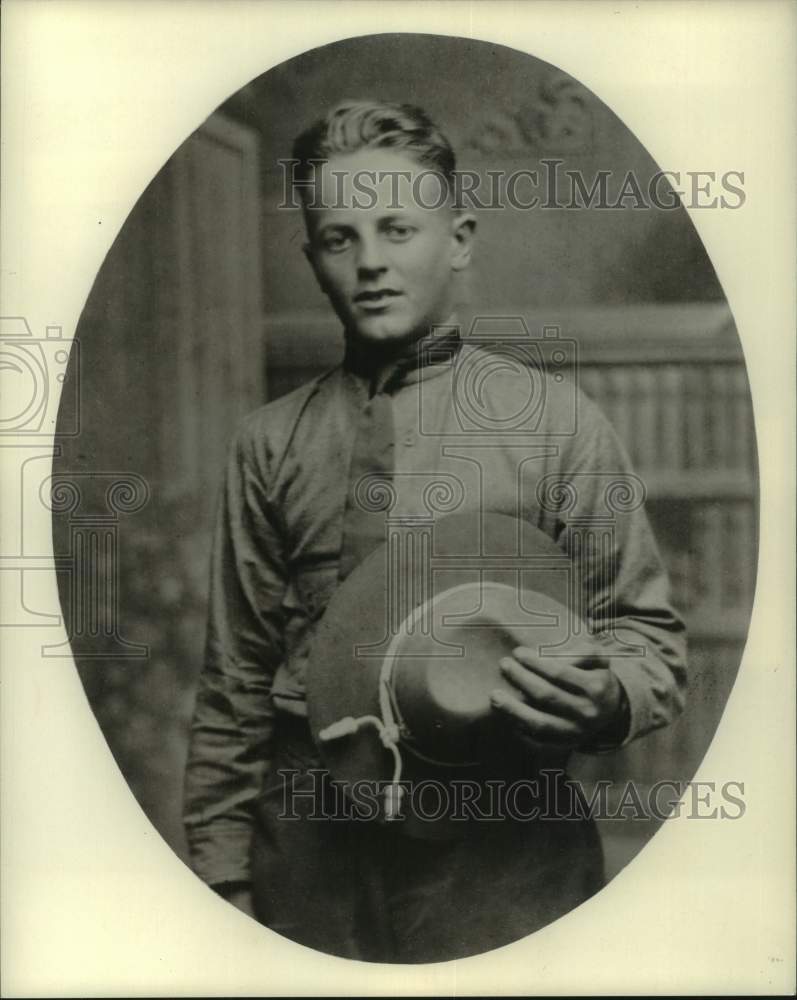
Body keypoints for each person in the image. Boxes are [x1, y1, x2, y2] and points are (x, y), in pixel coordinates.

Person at [183, 100, 687, 963]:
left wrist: (608, 699)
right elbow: (234, 682)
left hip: (503, 865)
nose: (370, 261)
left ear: (457, 239)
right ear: (311, 259)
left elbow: (647, 640)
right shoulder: (269, 442)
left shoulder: (554, 424)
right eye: (339, 238)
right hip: (308, 865)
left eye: (397, 228)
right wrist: (223, 878)